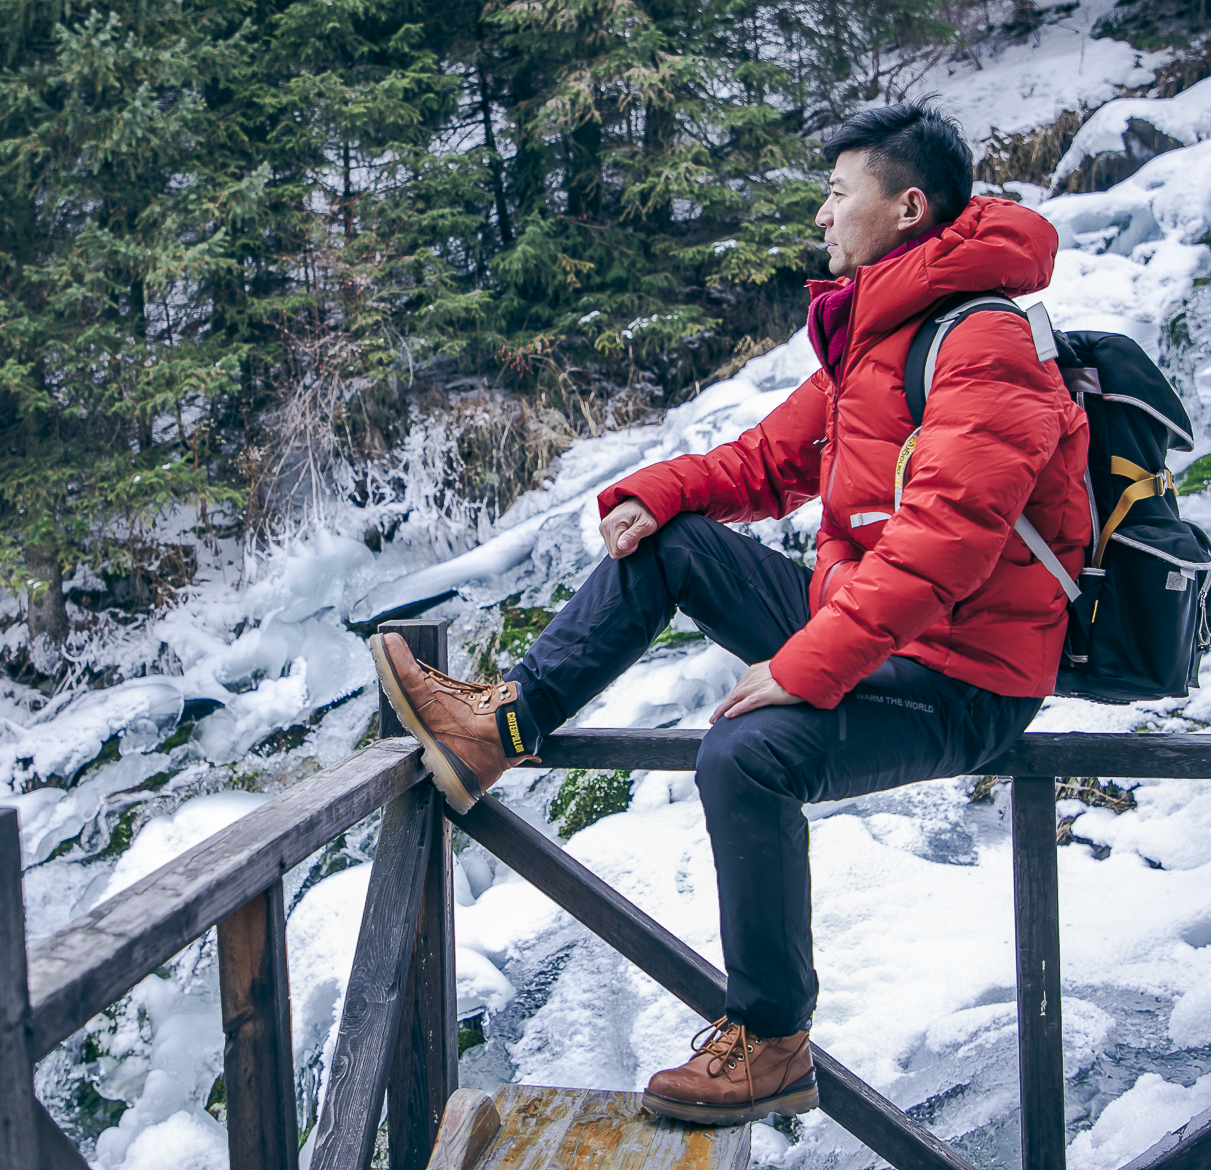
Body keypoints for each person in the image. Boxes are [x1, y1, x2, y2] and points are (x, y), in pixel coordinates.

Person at [368, 101, 1089, 1127]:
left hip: (963, 678)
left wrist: (805, 666)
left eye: (840, 193)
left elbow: (948, 541)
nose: (821, 214)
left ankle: (770, 1037)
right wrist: (653, 491)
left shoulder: (982, 344)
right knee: (673, 541)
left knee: (743, 754)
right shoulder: (874, 341)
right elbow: (762, 462)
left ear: (906, 207)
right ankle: (504, 725)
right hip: (874, 625)